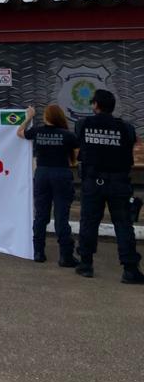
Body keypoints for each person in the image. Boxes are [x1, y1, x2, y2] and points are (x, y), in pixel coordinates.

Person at [73, 89, 144, 283]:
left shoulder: (83, 124)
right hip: (118, 183)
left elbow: (79, 141)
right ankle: (130, 269)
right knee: (124, 225)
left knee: (88, 223)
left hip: (92, 182)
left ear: (95, 105)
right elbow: (132, 143)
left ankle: (86, 264)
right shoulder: (126, 128)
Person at [17, 104, 79, 266]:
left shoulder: (37, 132)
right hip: (61, 175)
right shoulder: (67, 135)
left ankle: (38, 252)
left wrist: (29, 117)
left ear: (46, 117)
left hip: (42, 175)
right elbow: (79, 148)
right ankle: (65, 256)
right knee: (61, 216)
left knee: (41, 215)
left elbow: (20, 133)